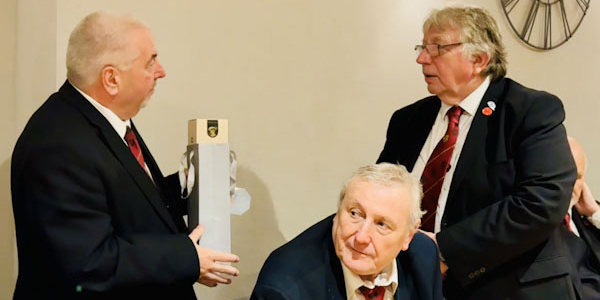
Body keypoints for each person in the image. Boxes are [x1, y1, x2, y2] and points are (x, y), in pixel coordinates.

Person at [11, 12, 239, 300]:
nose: (161, 71)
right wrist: (187, 259)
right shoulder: (59, 145)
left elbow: (123, 199)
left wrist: (190, 185)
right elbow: (88, 263)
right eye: (150, 62)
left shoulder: (98, 119)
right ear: (111, 79)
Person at [377, 5, 577, 300]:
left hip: (512, 287)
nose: (421, 59)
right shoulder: (407, 121)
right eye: (422, 47)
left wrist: (443, 250)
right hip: (418, 286)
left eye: (437, 48)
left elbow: (542, 201)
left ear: (479, 59)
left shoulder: (529, 111)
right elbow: (380, 193)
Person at [250, 163, 443, 300]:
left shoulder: (423, 257)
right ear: (338, 211)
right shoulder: (284, 288)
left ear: (408, 236)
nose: (361, 237)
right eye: (354, 214)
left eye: (381, 224)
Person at [565, 137, 600, 300]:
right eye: (564, 175)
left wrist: (594, 213)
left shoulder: (591, 218)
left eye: (577, 177)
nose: (570, 185)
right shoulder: (529, 224)